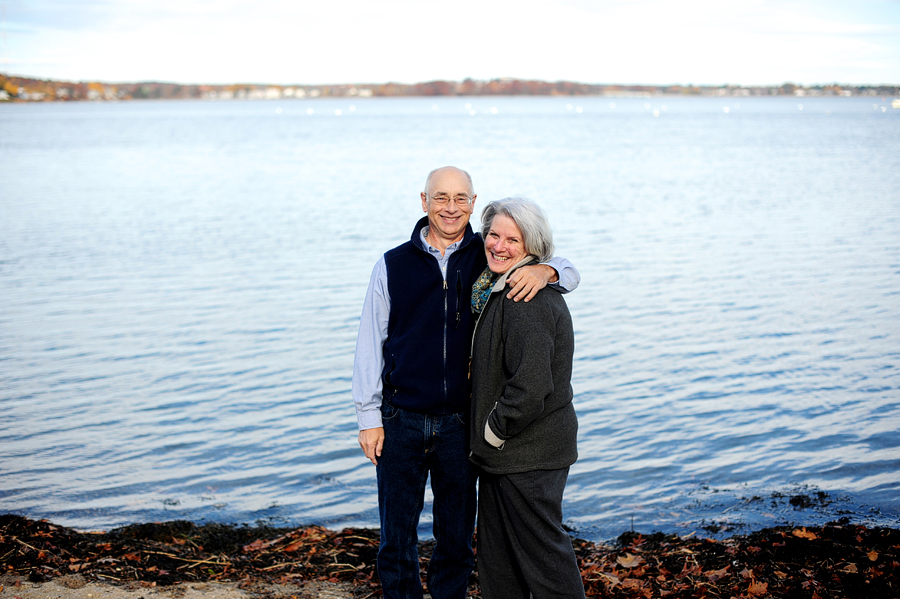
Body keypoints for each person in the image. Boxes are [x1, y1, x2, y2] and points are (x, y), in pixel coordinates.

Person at [352, 167, 580, 599]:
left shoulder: (488, 255)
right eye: (441, 197)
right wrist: (368, 416)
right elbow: (370, 342)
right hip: (400, 419)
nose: (451, 207)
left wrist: (547, 271)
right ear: (424, 201)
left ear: (473, 204)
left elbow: (560, 264)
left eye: (461, 198)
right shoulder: (393, 265)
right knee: (395, 539)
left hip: (462, 422)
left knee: (456, 539)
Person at [469, 197, 585, 599]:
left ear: (532, 245)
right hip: (509, 456)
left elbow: (532, 386)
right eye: (493, 235)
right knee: (501, 566)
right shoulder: (499, 287)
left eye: (512, 239)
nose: (499, 246)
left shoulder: (525, 298)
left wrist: (493, 431)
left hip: (528, 455)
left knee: (544, 565)